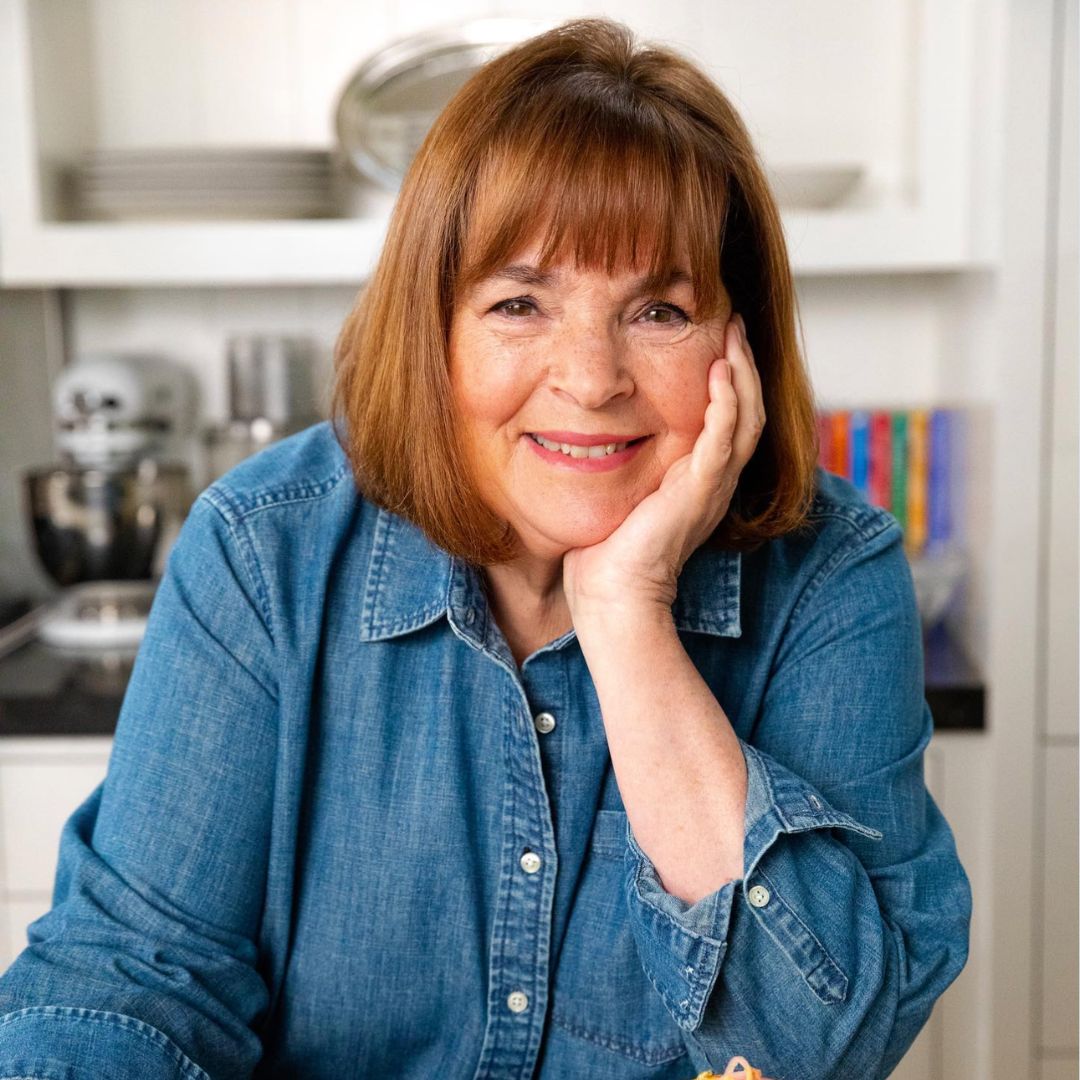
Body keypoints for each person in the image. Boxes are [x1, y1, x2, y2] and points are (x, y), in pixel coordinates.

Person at [0, 17, 971, 1080]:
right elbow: (127, 987)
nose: (591, 376)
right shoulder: (260, 553)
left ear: (737, 341)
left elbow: (824, 1050)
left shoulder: (832, 578)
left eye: (658, 309)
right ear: (434, 328)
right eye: (519, 303)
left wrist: (629, 616)